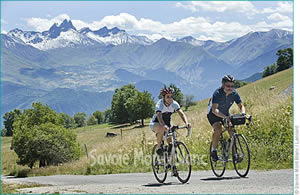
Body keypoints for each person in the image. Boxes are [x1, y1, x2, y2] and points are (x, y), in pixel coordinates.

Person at [207, 75, 246, 161]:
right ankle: (213, 151)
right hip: (213, 113)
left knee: (232, 130)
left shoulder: (234, 93)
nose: (230, 88)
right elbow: (214, 110)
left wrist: (243, 114)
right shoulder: (217, 93)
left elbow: (241, 106)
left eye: (232, 86)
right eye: (228, 86)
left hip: (224, 112)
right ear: (223, 85)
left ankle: (235, 154)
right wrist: (226, 117)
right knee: (218, 129)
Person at [149, 87, 191, 155]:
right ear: (163, 97)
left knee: (171, 144)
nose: (170, 98)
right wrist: (163, 125)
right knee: (161, 129)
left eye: (171, 96)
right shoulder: (160, 104)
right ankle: (159, 148)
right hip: (155, 123)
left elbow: (181, 114)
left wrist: (186, 123)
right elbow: (159, 116)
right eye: (168, 97)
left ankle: (170, 162)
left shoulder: (174, 103)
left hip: (166, 125)